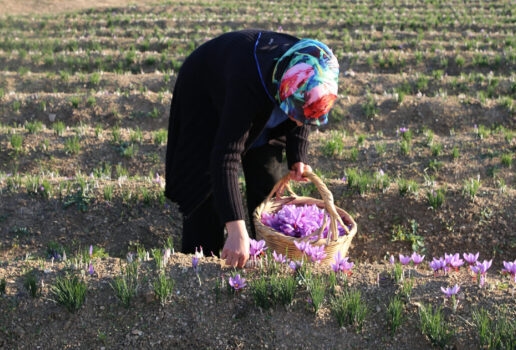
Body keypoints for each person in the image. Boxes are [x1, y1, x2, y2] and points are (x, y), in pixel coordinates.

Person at [165, 29, 339, 268]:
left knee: (268, 183)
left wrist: (297, 155)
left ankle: (264, 257)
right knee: (206, 192)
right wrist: (236, 229)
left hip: (264, 97)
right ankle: (201, 267)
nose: (298, 123)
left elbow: (305, 107)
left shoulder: (313, 65)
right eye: (295, 115)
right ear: (283, 90)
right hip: (206, 94)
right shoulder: (248, 81)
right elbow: (225, 156)